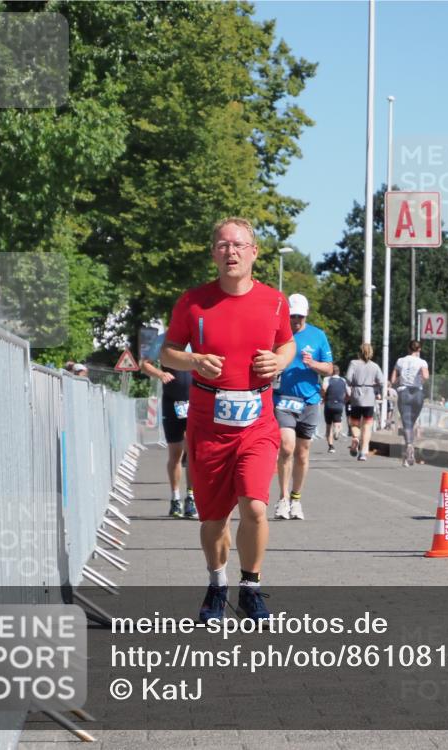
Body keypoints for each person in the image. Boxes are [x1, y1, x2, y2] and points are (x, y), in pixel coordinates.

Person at [160, 217, 296, 623]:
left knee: (255, 506)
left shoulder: (274, 301)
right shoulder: (193, 302)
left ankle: (250, 588)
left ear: (254, 252)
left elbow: (287, 343)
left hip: (257, 421)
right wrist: (194, 360)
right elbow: (167, 352)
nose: (230, 252)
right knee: (214, 518)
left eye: (238, 245)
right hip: (208, 424)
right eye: (222, 245)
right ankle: (217, 585)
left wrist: (280, 361)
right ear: (213, 254)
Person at [273, 294, 333, 521]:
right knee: (286, 447)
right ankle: (282, 499)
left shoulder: (318, 336)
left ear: (306, 315)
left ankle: (296, 499)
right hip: (283, 399)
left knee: (302, 452)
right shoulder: (277, 334)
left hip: (309, 400)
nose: (296, 320)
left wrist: (312, 364)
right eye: (292, 316)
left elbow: (329, 368)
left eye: (299, 316)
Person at [140, 333, 196, 519]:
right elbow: (144, 364)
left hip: (194, 401)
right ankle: (175, 498)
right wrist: (160, 373)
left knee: (192, 451)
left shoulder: (197, 337)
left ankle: (191, 498)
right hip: (172, 401)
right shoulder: (163, 339)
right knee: (175, 453)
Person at [390, 340, 429, 467]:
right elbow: (426, 376)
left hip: (404, 392)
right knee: (411, 423)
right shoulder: (422, 362)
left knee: (407, 423)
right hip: (417, 393)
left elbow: (392, 380)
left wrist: (400, 378)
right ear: (419, 349)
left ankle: (409, 446)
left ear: (408, 349)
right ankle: (408, 452)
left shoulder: (400, 361)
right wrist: (419, 380)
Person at [345, 343, 384, 461]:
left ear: (359, 352)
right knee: (367, 425)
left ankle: (355, 438)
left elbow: (348, 378)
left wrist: (354, 383)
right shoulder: (375, 366)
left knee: (355, 423)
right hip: (369, 397)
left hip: (356, 396)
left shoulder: (353, 363)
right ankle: (363, 451)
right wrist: (376, 389)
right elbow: (381, 381)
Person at [322, 364, 348, 452]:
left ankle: (331, 446)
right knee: (337, 422)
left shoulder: (327, 379)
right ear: (338, 372)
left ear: (331, 372)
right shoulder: (343, 380)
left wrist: (323, 397)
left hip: (329, 404)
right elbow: (349, 392)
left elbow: (324, 389)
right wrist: (345, 400)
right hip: (339, 404)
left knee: (328, 426)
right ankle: (337, 431)